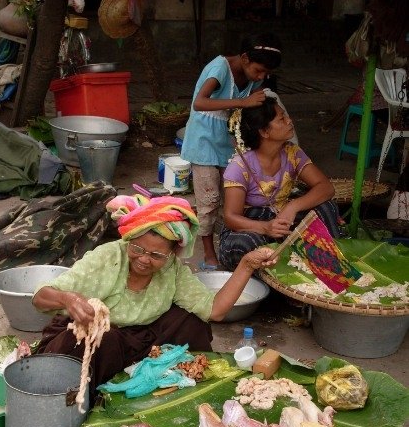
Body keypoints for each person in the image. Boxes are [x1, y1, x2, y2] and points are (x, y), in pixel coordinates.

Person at [33, 194, 277, 398]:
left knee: (191, 322)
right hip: (102, 340)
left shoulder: (173, 270)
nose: (144, 259)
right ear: (128, 239)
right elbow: (41, 297)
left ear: (172, 255)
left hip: (142, 338)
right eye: (137, 249)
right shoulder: (106, 258)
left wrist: (246, 265)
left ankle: (176, 384)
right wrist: (69, 299)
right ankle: (90, 400)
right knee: (92, 342)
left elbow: (215, 310)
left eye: (156, 255)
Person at [180, 33, 284, 270]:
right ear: (245, 58)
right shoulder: (219, 68)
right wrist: (242, 103)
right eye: (259, 71)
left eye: (266, 74)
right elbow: (200, 102)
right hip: (203, 144)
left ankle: (229, 240)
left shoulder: (255, 77)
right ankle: (208, 253)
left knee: (236, 195)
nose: (261, 77)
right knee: (208, 201)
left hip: (228, 143)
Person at [219, 98, 340, 272]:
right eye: (281, 119)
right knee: (250, 244)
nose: (289, 121)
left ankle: (332, 266)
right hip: (250, 227)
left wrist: (293, 206)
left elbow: (326, 188)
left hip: (281, 221)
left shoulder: (292, 153)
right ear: (264, 132)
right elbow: (231, 217)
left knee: (325, 207)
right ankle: (273, 285)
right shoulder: (239, 166)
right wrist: (265, 228)